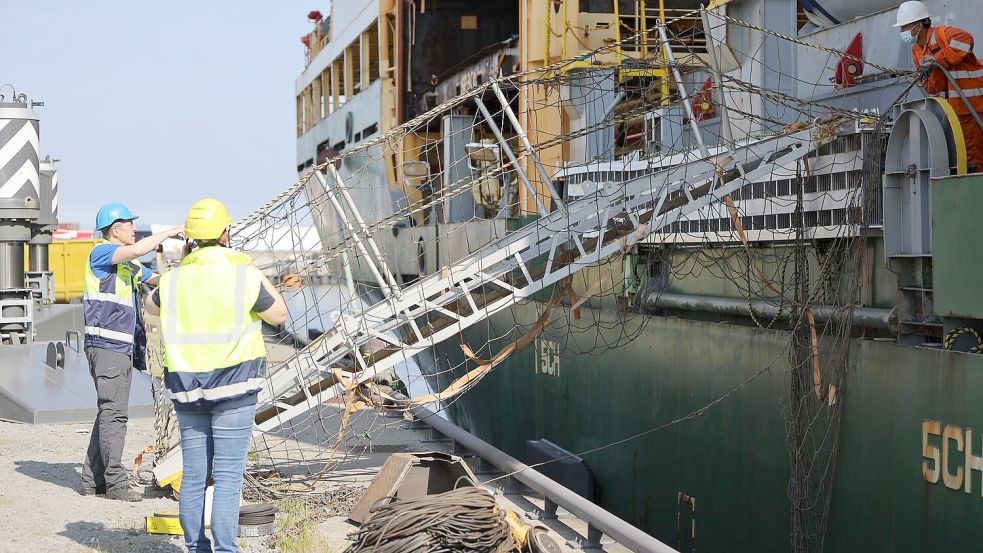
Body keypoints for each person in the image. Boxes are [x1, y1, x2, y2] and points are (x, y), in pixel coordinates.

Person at [145, 199, 287, 553]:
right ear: (226, 233)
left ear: (190, 237)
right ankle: (225, 550)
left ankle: (196, 548)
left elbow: (150, 306)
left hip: (187, 389)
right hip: (235, 387)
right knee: (226, 477)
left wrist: (179, 269)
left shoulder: (174, 278)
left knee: (194, 475)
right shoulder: (243, 274)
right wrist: (254, 269)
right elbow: (279, 315)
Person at [80, 203, 183, 501]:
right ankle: (115, 484)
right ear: (115, 229)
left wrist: (189, 270)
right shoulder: (100, 252)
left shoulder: (129, 266)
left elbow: (157, 280)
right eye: (130, 225)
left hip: (121, 347)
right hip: (106, 346)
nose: (135, 229)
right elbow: (137, 251)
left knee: (107, 413)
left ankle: (91, 480)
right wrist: (173, 231)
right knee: (114, 415)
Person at [896, 0, 983, 172]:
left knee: (973, 161)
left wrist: (938, 59)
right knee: (957, 161)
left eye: (904, 27)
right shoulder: (917, 50)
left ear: (918, 25)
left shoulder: (943, 34)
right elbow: (932, 87)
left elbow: (967, 40)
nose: (902, 32)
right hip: (948, 114)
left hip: (970, 108)